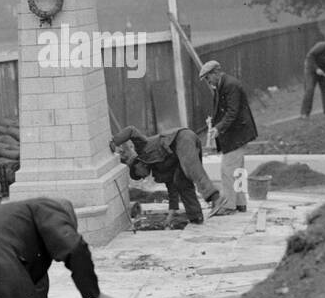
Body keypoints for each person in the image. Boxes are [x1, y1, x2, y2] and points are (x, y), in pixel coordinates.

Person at [110, 125, 219, 225]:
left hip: (182, 138)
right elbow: (172, 192)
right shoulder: (159, 171)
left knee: (191, 168)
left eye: (139, 175)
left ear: (137, 165)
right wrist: (169, 218)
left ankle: (216, 197)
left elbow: (131, 130)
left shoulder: (142, 148)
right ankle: (195, 217)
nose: (143, 177)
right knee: (181, 182)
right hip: (181, 153)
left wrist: (115, 142)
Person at [199, 60, 258, 216]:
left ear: (215, 73)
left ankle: (229, 205)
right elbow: (225, 110)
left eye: (207, 78)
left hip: (237, 134)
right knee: (237, 170)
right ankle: (240, 203)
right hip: (237, 132)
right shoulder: (222, 84)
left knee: (227, 170)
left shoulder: (230, 85)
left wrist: (218, 128)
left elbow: (232, 112)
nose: (208, 81)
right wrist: (214, 122)